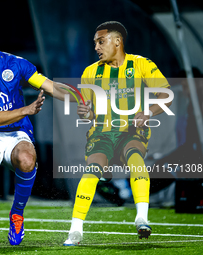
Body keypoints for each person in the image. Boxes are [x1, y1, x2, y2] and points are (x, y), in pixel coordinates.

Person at [0, 16, 69, 248]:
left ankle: (17, 215)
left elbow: (47, 84)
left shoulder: (15, 63)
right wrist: (26, 109)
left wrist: (80, 98)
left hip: (16, 130)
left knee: (28, 159)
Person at [63, 21, 173, 246]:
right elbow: (88, 114)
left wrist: (148, 113)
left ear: (117, 41)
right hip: (101, 134)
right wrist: (85, 112)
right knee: (92, 169)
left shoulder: (141, 64)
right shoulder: (90, 72)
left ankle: (141, 217)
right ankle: (75, 230)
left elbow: (167, 95)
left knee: (135, 158)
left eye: (100, 42)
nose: (96, 47)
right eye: (95, 43)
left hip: (131, 132)